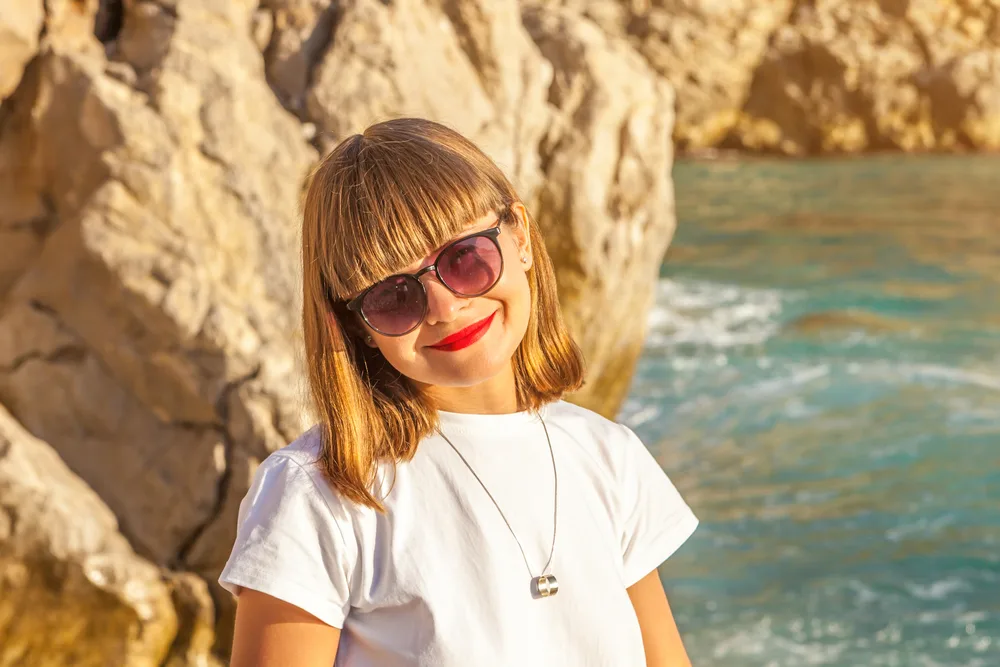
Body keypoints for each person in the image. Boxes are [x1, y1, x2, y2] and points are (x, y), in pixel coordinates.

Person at [219, 118, 699, 666]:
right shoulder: (322, 491)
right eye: (394, 296)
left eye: (464, 260)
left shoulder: (608, 456)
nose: (445, 307)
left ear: (518, 237)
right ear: (356, 327)